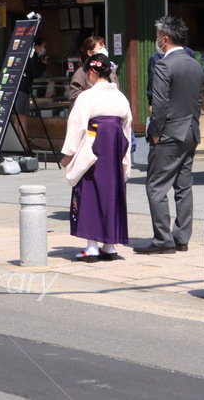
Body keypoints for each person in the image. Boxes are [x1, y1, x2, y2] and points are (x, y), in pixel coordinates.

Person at [136, 15, 204, 254]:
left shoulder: (164, 64)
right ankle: (181, 237)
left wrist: (155, 133)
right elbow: (198, 101)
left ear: (165, 40)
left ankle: (163, 239)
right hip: (191, 131)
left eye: (157, 38)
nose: (157, 41)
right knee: (184, 188)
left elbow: (159, 103)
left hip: (168, 133)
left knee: (156, 186)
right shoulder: (195, 64)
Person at [60, 54, 132, 261]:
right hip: (115, 147)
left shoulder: (87, 97)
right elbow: (127, 128)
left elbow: (76, 125)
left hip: (93, 147)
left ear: (91, 72)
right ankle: (109, 245)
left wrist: (68, 154)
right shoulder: (120, 97)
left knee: (89, 192)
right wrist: (125, 157)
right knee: (113, 193)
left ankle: (92, 246)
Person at [67, 35, 110, 105]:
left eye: (104, 47)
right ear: (90, 53)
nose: (104, 51)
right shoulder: (81, 72)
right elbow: (74, 96)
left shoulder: (109, 70)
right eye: (100, 48)